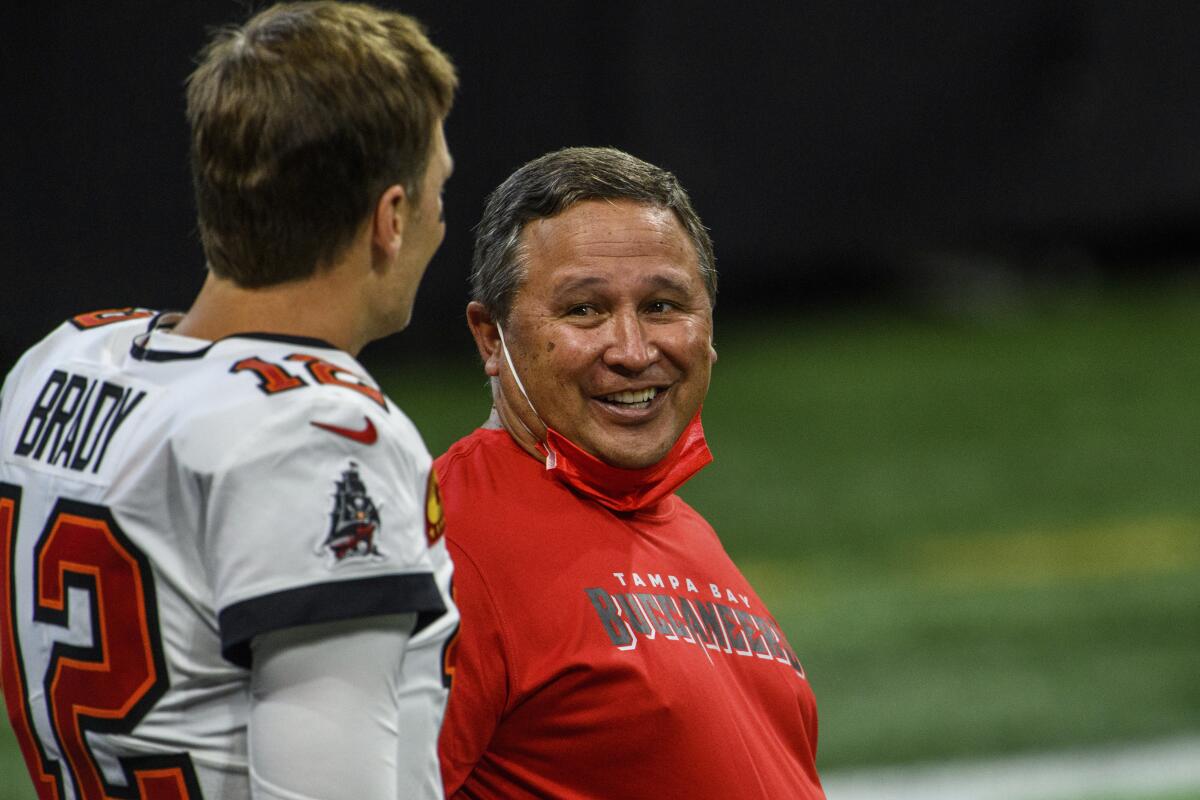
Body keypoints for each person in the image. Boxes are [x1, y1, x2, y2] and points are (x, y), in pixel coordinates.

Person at [0, 3, 457, 798]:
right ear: (389, 218)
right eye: (437, 190)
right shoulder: (318, 429)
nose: (443, 221)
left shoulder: (59, 363)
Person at [436, 147, 825, 798]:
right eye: (585, 310)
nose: (635, 351)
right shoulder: (450, 540)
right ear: (489, 340)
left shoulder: (682, 531)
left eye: (664, 306)